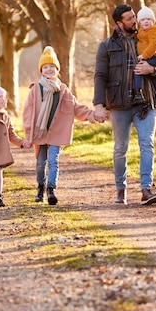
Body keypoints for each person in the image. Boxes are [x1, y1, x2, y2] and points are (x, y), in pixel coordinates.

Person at [93, 4, 156, 206]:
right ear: (119, 23)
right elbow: (100, 76)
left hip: (146, 102)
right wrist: (99, 105)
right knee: (120, 148)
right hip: (119, 104)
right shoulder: (106, 46)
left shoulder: (146, 36)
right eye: (129, 19)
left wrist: (152, 70)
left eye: (134, 16)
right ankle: (121, 189)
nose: (134, 21)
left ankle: (146, 189)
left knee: (147, 144)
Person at [23, 46, 105, 205]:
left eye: (52, 67)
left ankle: (51, 189)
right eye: (45, 67)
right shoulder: (35, 89)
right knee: (40, 164)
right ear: (41, 70)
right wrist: (28, 134)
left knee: (53, 161)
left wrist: (93, 115)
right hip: (40, 134)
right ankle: (41, 185)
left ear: (57, 69)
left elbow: (76, 108)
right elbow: (28, 113)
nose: (49, 70)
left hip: (57, 133)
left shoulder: (64, 90)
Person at [133, 6, 156, 116]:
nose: (146, 22)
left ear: (153, 21)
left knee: (138, 70)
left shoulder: (154, 30)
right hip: (150, 58)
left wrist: (144, 56)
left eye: (148, 20)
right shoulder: (141, 32)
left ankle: (138, 93)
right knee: (155, 84)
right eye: (143, 20)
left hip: (154, 58)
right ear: (139, 22)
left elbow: (155, 45)